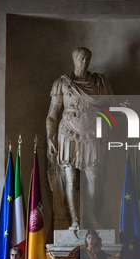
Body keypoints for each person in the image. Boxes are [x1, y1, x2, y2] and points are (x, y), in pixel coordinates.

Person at [46, 47, 112, 230]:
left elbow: (107, 112)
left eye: (88, 58)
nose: (85, 62)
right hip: (68, 132)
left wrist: (105, 132)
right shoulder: (61, 83)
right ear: (74, 59)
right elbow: (52, 114)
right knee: (70, 178)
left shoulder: (99, 83)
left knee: (93, 175)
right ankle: (74, 220)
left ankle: (89, 214)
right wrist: (50, 137)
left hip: (91, 132)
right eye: (81, 58)